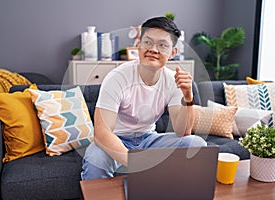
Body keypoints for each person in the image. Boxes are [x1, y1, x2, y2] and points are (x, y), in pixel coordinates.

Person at [81, 16, 207, 180]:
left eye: (162, 45)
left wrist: (188, 97)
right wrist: (134, 162)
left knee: (196, 144)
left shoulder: (174, 80)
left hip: (148, 139)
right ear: (138, 45)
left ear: (172, 53)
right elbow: (102, 132)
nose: (154, 49)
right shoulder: (117, 77)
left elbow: (183, 132)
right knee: (95, 159)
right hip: (116, 138)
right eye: (148, 42)